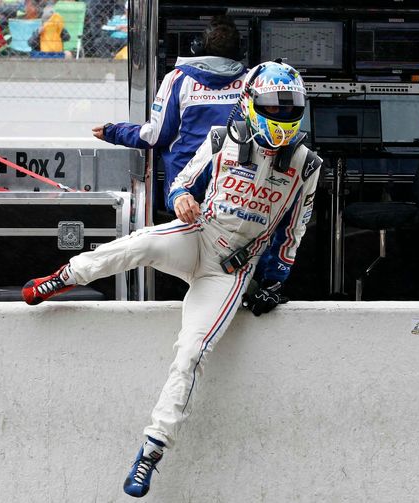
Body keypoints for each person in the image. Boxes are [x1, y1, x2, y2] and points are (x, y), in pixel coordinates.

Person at [22, 61, 321, 497]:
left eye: (289, 112)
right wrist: (181, 198)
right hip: (199, 234)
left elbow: (296, 229)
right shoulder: (222, 139)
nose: (281, 120)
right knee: (137, 243)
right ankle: (64, 276)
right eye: (273, 110)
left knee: (192, 353)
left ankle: (151, 450)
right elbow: (181, 181)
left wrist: (277, 279)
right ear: (252, 104)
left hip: (230, 271)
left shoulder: (306, 164)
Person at [92, 14, 246, 210]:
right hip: (234, 193)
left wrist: (113, 132)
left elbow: (155, 136)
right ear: (241, 50)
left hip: (186, 196)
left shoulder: (178, 79)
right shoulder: (253, 81)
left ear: (197, 46)